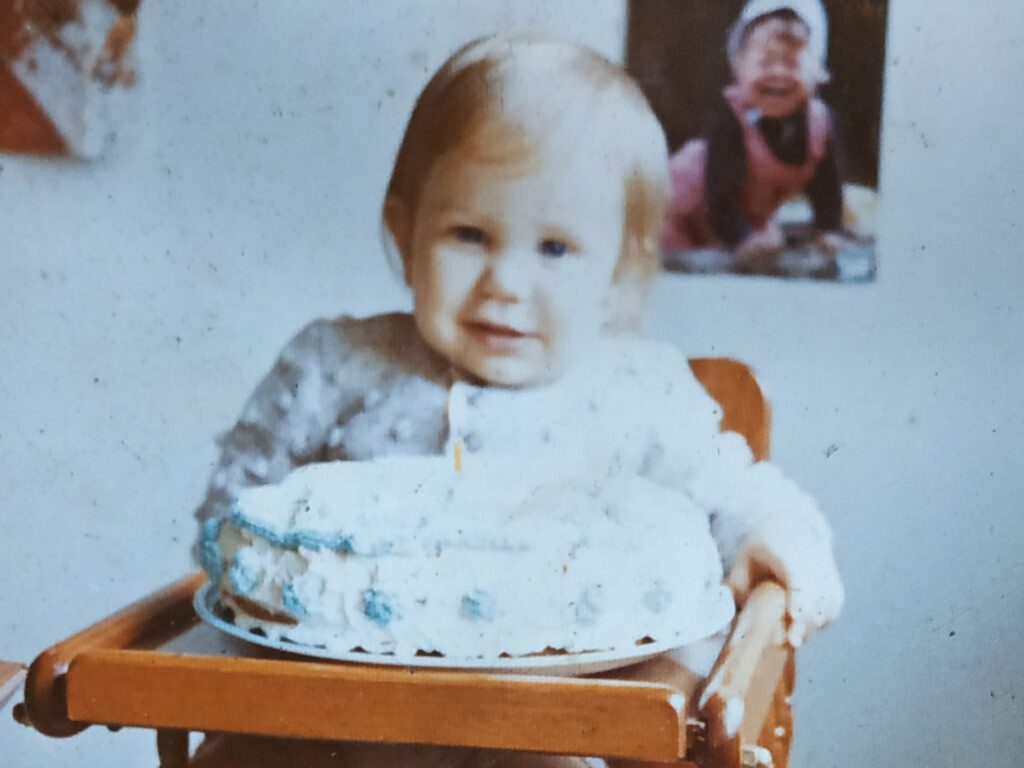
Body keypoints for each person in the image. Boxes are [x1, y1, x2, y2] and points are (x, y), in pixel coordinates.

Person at [194, 35, 843, 767]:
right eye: (470, 234)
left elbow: (743, 498)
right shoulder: (333, 366)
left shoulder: (640, 393)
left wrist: (776, 537)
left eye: (555, 248)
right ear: (405, 232)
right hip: (340, 733)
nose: (505, 282)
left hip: (556, 734)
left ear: (618, 271)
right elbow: (236, 521)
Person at [660, 0, 851, 263]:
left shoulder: (819, 124)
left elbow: (828, 189)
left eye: (792, 62)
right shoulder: (732, 120)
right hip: (683, 213)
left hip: (746, 217)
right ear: (738, 68)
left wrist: (829, 230)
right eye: (765, 61)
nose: (778, 73)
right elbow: (720, 198)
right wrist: (744, 238)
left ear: (818, 72)